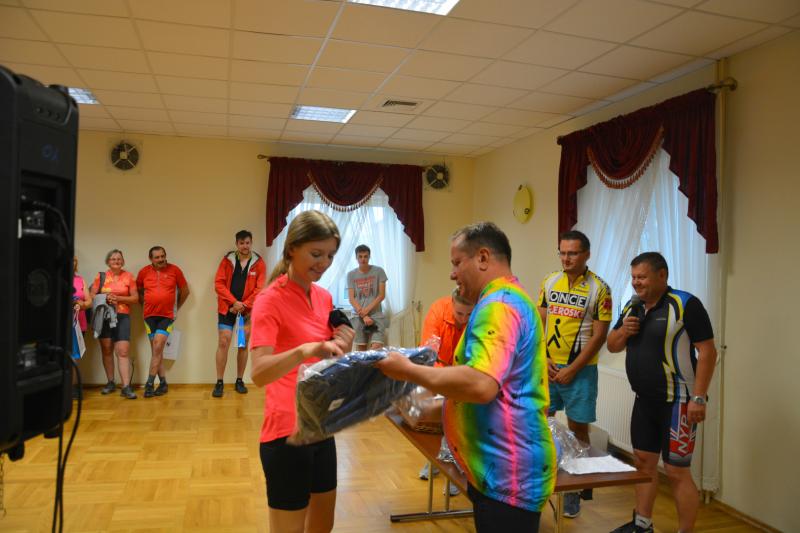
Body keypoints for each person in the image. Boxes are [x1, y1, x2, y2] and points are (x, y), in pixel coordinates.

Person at [377, 222, 556, 533]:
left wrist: (407, 370)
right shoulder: (503, 300)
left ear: (483, 258)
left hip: (508, 476)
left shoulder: (499, 305)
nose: (452, 273)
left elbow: (481, 383)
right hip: (495, 471)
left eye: (457, 262)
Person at [249, 210, 354, 533]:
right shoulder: (269, 300)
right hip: (286, 434)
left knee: (323, 526)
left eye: (330, 256)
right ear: (292, 248)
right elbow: (259, 373)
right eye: (316, 253)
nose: (324, 263)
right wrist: (304, 351)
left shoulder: (323, 297)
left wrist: (342, 344)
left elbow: (328, 356)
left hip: (321, 426)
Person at [607, 252, 717, 533]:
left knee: (677, 472)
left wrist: (699, 397)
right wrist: (624, 332)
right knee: (643, 464)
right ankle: (642, 525)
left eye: (642, 277)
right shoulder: (632, 306)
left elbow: (707, 351)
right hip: (644, 401)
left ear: (662, 275)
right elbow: (612, 345)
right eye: (633, 277)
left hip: (679, 403)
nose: (636, 283)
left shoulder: (685, 304)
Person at [537, 230, 612, 518]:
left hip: (581, 372)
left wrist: (573, 369)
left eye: (573, 253)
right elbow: (539, 322)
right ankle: (542, 479)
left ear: (586, 254)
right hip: (548, 368)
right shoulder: (549, 281)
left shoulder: (600, 289)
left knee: (578, 430)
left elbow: (599, 336)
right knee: (540, 423)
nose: (566, 258)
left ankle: (574, 491)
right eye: (563, 252)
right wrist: (543, 359)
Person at [417, 287, 474, 487]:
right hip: (438, 369)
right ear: (452, 303)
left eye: (469, 314)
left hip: (464, 372)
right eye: (459, 313)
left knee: (461, 423)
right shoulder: (437, 311)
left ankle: (457, 470)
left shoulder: (480, 317)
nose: (463, 319)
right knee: (437, 421)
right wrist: (445, 379)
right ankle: (434, 460)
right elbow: (428, 353)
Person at [212, 230, 266, 398]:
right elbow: (218, 284)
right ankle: (219, 382)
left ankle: (239, 380)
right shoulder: (227, 260)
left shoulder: (259, 263)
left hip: (246, 311)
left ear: (251, 243)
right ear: (237, 244)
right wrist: (233, 303)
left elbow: (260, 289)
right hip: (227, 308)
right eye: (241, 243)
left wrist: (244, 305)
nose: (245, 246)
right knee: (224, 341)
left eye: (247, 243)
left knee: (242, 344)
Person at [136, 246, 190, 398]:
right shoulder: (143, 272)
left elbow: (185, 291)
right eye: (157, 257)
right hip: (149, 316)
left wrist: (176, 307)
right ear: (151, 259)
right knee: (156, 350)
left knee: (158, 346)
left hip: (167, 316)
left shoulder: (175, 270)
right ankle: (163, 383)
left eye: (162, 256)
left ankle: (149, 384)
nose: (161, 259)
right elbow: (138, 290)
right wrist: (144, 304)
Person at [89, 249, 138, 399]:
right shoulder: (101, 276)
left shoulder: (129, 276)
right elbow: (91, 295)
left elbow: (135, 298)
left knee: (123, 351)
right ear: (108, 262)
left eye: (119, 259)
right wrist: (104, 298)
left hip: (122, 316)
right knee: (106, 349)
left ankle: (126, 387)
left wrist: (118, 299)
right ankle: (110, 382)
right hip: (103, 316)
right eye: (113, 259)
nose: (116, 261)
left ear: (123, 261)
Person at [346, 244, 388, 350]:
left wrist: (366, 311)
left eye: (365, 256)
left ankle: (374, 362)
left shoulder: (379, 271)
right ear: (356, 258)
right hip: (358, 316)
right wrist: (364, 315)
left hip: (376, 315)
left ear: (369, 257)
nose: (363, 259)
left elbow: (381, 295)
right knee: (361, 349)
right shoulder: (351, 275)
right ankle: (364, 363)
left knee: (377, 346)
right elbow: (351, 299)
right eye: (360, 256)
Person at [72, 256, 91, 398]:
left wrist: (82, 304)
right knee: (64, 356)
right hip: (63, 325)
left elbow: (89, 301)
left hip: (79, 325)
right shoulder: (57, 279)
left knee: (75, 357)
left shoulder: (80, 280)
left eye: (74, 261)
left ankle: (73, 388)